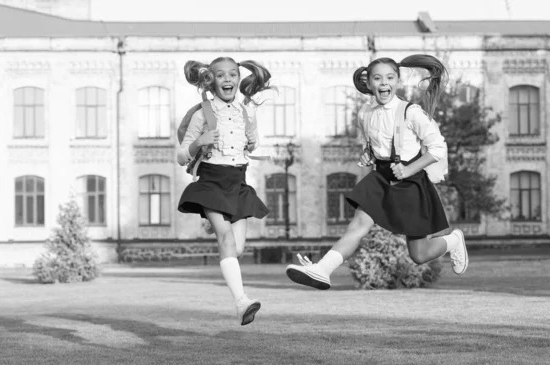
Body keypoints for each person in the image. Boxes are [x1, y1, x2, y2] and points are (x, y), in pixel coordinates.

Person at [286, 54, 468, 290]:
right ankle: (322, 270)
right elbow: (371, 147)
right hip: (381, 178)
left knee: (419, 255)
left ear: (397, 81)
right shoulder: (365, 113)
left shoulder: (411, 112)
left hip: (411, 182)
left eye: (390, 77)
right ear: (369, 83)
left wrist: (408, 169)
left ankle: (454, 240)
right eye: (378, 78)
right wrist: (368, 155)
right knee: (358, 225)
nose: (384, 83)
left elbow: (438, 148)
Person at [177, 57, 272, 324]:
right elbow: (181, 155)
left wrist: (253, 141)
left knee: (237, 249)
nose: (227, 79)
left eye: (232, 74)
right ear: (211, 80)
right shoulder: (202, 114)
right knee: (227, 241)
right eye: (221, 75)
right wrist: (199, 142)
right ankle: (242, 302)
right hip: (211, 181)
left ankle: (211, 224)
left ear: (238, 80)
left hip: (238, 182)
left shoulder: (245, 111)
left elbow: (251, 144)